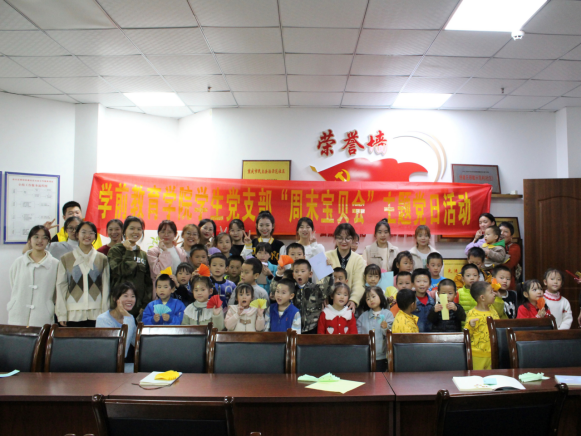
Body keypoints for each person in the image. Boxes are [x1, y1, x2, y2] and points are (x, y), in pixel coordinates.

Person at [55, 221, 109, 327]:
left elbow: (106, 287)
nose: (87, 235)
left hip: (96, 313)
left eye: (91, 233)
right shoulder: (66, 259)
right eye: (83, 232)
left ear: (95, 236)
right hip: (73, 314)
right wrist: (61, 314)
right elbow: (61, 287)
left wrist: (105, 313)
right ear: (77, 234)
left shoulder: (102, 259)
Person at [8, 225, 59, 327]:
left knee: (42, 337)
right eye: (36, 237)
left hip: (42, 315)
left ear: (48, 242)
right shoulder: (19, 262)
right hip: (18, 314)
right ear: (29, 240)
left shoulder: (55, 264)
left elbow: (57, 293)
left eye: (44, 238)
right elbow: (13, 285)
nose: (40, 240)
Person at [270, 259, 334, 334]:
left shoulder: (316, 289)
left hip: (312, 329)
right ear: (293, 275)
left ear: (310, 274)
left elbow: (329, 289)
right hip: (293, 327)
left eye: (303, 271)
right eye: (296, 271)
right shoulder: (290, 288)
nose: (299, 274)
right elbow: (274, 290)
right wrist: (279, 275)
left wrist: (329, 273)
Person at [108, 216, 152, 318]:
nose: (135, 232)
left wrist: (145, 304)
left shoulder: (143, 254)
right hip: (118, 306)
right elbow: (123, 271)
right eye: (132, 228)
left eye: (139, 229)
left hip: (137, 307)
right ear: (124, 231)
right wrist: (128, 251)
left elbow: (147, 283)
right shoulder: (115, 250)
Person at [325, 223, 366, 310]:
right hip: (329, 303)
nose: (344, 242)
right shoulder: (326, 256)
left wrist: (354, 300)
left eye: (347, 238)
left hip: (349, 305)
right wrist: (323, 297)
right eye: (340, 238)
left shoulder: (359, 260)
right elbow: (320, 280)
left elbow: (359, 282)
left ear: (353, 239)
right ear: (335, 238)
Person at [357, 286, 394, 372]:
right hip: (365, 355)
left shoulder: (388, 314)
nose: (371, 300)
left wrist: (386, 328)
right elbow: (358, 335)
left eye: (373, 296)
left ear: (380, 296)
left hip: (382, 356)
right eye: (368, 299)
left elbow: (390, 334)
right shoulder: (363, 317)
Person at [96, 282, 137, 358]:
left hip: (122, 362)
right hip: (107, 362)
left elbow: (137, 342)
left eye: (133, 296)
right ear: (115, 298)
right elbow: (120, 351)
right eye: (125, 296)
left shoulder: (129, 317)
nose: (130, 299)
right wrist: (128, 318)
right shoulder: (103, 319)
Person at [465, 281, 499, 370]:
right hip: (477, 355)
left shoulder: (494, 311)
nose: (494, 294)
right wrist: (470, 325)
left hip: (493, 353)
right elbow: (467, 334)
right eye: (491, 292)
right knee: (477, 377)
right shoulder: (472, 313)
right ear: (482, 297)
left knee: (492, 376)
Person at [147, 220, 188, 288]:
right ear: (158, 234)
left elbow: (185, 273)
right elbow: (158, 272)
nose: (166, 235)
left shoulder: (181, 252)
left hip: (178, 289)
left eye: (169, 232)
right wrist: (164, 251)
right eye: (163, 231)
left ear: (175, 234)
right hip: (161, 289)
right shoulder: (152, 252)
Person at [499, 221, 521, 290]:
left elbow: (507, 265)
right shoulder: (490, 245)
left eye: (506, 231)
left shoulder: (514, 247)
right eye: (500, 231)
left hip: (507, 285)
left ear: (511, 236)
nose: (502, 233)